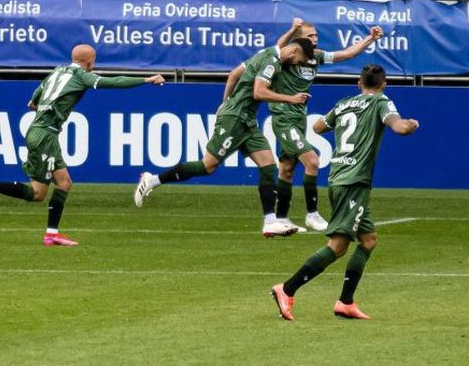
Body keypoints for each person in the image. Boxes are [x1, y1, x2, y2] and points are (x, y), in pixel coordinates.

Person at [0, 44, 165, 247]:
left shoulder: (57, 71)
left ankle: (52, 234)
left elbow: (32, 103)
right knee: (37, 193)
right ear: (90, 60)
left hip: (41, 132)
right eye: (94, 60)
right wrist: (146, 79)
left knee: (64, 183)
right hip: (45, 137)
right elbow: (112, 82)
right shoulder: (81, 75)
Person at [271, 64, 419, 320]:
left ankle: (346, 302)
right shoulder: (382, 103)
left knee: (369, 239)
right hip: (353, 182)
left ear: (359, 84)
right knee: (338, 246)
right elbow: (399, 128)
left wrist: (341, 120)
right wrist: (411, 124)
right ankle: (287, 288)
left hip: (340, 176)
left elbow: (317, 127)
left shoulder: (344, 104)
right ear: (383, 85)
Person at [134, 38, 316, 237]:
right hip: (235, 119)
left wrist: (224, 102)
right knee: (208, 166)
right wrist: (291, 98)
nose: (297, 64)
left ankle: (270, 221)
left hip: (248, 121)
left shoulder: (269, 52)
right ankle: (152, 180)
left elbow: (235, 74)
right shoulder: (272, 61)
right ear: (295, 51)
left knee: (269, 166)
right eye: (299, 60)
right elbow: (258, 92)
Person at [271, 19, 384, 233]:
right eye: (310, 36)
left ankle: (281, 218)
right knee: (312, 161)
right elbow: (277, 49)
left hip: (297, 118)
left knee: (286, 169)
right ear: (297, 41)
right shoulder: (289, 56)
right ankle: (312, 215)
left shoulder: (316, 57)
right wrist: (292, 30)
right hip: (283, 117)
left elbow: (347, 54)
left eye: (316, 36)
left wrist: (370, 38)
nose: (315, 40)